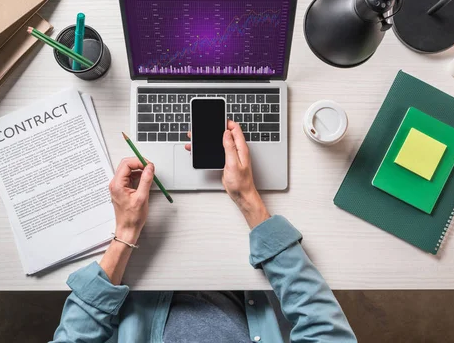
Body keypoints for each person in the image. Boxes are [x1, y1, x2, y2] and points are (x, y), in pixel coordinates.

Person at [51, 121, 356, 343]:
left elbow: (74, 337)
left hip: (141, 283)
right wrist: (249, 201)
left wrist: (126, 233)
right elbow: (325, 331)